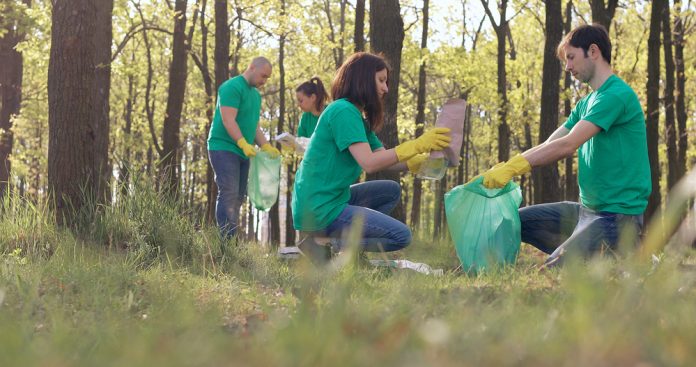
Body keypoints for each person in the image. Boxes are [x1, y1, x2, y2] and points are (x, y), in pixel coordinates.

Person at [476, 24, 651, 267]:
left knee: (554, 269)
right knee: (513, 221)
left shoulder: (615, 95)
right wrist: (507, 167)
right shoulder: (587, 102)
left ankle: (627, 251)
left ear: (593, 51)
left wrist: (515, 168)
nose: (567, 67)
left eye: (571, 57)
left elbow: (568, 145)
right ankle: (608, 254)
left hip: (617, 219)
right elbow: (551, 143)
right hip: (585, 213)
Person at [291, 52, 451, 264]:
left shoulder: (356, 116)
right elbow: (369, 163)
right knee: (401, 236)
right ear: (363, 79)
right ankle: (330, 245)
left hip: (331, 198)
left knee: (390, 190)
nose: (386, 88)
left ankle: (334, 246)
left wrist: (415, 161)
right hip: (319, 208)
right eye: (381, 80)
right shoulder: (342, 111)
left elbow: (381, 155)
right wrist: (416, 144)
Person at [207, 56, 281, 239]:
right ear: (252, 67)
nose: (264, 82)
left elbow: (254, 126)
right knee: (229, 192)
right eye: (263, 76)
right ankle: (226, 241)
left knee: (239, 196)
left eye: (267, 78)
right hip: (223, 148)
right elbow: (228, 119)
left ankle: (230, 239)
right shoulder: (231, 87)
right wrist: (241, 142)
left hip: (243, 151)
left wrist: (265, 146)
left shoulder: (255, 96)